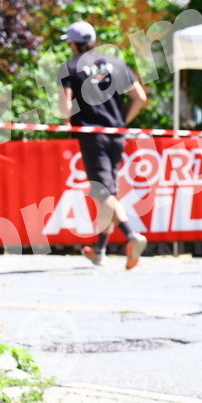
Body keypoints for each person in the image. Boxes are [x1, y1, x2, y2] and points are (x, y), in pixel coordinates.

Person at [57, 20, 149, 269]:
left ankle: (131, 235)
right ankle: (99, 249)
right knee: (108, 192)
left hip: (91, 135)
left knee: (102, 192)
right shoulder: (116, 63)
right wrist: (122, 122)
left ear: (74, 44)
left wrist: (68, 122)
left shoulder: (70, 67)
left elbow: (65, 108)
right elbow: (140, 97)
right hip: (116, 134)